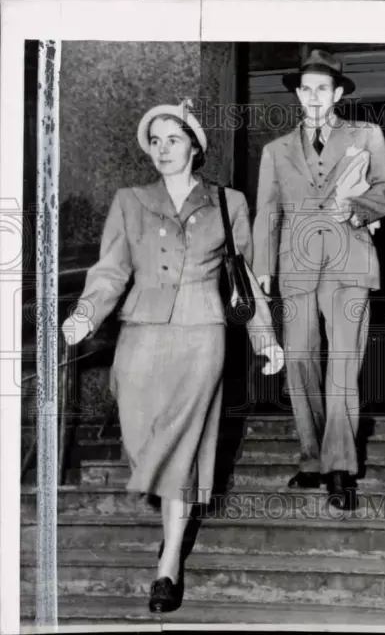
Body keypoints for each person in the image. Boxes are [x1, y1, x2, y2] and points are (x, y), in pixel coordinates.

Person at [62, 99, 284, 613]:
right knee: (140, 431)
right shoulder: (130, 200)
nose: (163, 150)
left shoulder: (228, 203)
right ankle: (172, 525)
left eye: (173, 139)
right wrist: (86, 314)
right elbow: (111, 269)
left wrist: (264, 337)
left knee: (185, 443)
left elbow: (243, 278)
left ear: (194, 146)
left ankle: (169, 565)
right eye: (155, 141)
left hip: (202, 331)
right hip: (142, 328)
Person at [252, 50, 385, 511]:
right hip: (295, 267)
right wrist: (262, 269)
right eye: (306, 88)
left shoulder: (366, 136)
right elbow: (266, 213)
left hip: (348, 263)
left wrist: (356, 209)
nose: (314, 96)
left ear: (337, 94)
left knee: (342, 367)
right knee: (298, 360)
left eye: (323, 88)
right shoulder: (274, 151)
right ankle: (313, 456)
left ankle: (339, 467)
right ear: (298, 95)